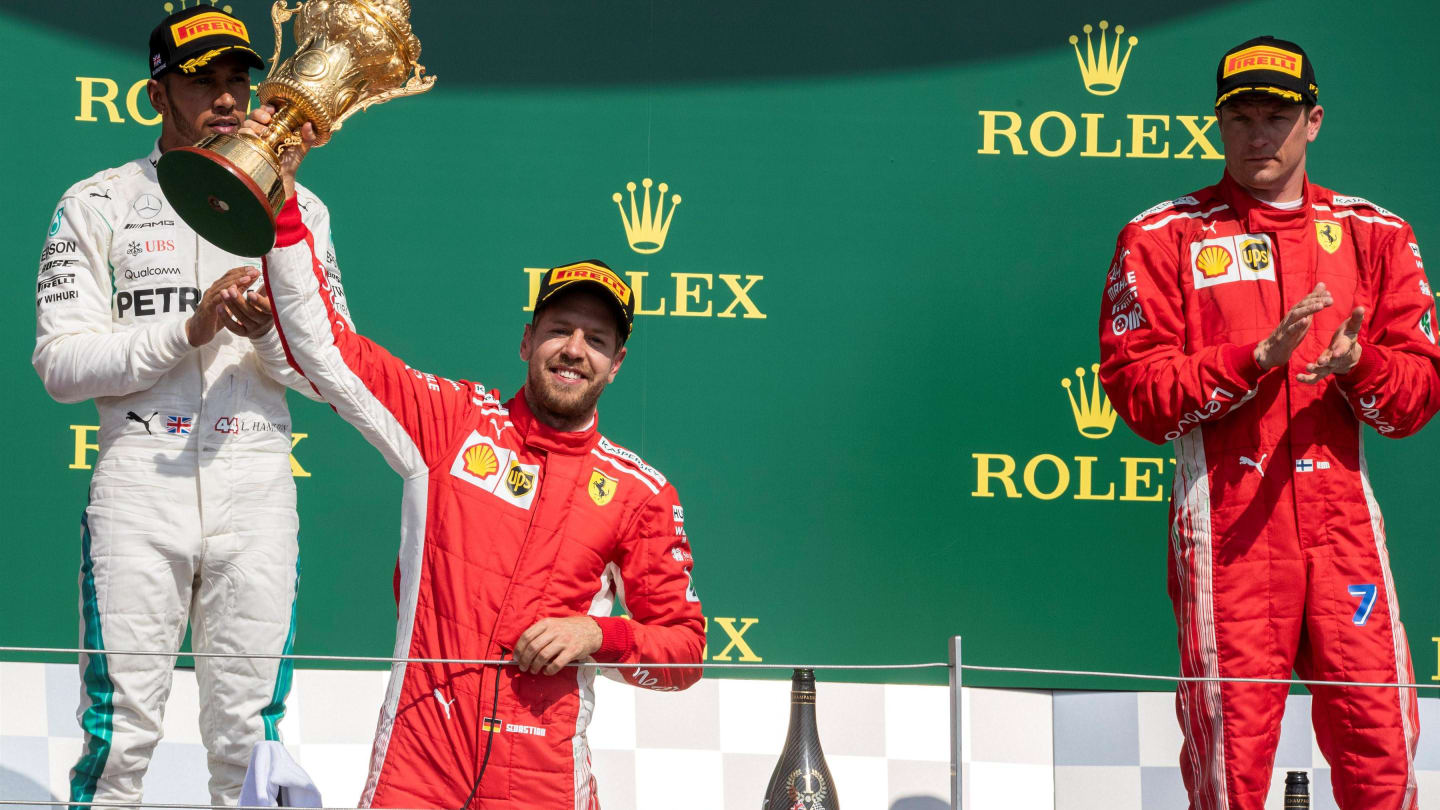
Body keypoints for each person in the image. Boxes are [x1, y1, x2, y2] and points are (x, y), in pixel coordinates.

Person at [243, 105, 705, 808]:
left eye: (596, 339)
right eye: (559, 330)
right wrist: (282, 211)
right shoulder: (453, 421)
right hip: (416, 769)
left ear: (616, 364)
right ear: (527, 342)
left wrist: (595, 634)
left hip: (544, 782)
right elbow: (331, 351)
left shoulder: (640, 492)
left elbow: (684, 654)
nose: (574, 349)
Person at [1098, 35, 1440, 810]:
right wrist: (1251, 359)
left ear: (1313, 122)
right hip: (1231, 532)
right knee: (1230, 764)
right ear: (1219, 126)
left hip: (1345, 531)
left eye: (1277, 118)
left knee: (1381, 749)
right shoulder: (1162, 237)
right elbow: (1140, 394)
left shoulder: (1375, 234)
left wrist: (1361, 368)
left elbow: (1417, 396)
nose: (1258, 136)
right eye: (1240, 118)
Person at [32, 6, 350, 806]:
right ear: (156, 94)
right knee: (120, 733)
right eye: (202, 81)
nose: (227, 98)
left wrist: (270, 337)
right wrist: (189, 328)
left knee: (251, 740)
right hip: (140, 477)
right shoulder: (99, 200)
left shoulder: (298, 213)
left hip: (256, 474)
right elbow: (61, 364)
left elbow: (332, 375)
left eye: (238, 80)